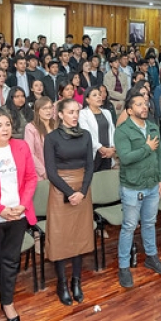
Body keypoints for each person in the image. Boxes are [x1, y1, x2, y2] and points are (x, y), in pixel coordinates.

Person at [0, 111, 37, 321]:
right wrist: (1, 210)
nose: (5, 128)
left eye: (7, 124)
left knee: (10, 263)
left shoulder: (21, 147)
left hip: (18, 215)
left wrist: (23, 205)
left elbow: (31, 178)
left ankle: (7, 303)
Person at [114, 94, 161, 288]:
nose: (144, 107)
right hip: (132, 186)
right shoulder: (122, 131)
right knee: (129, 227)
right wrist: (146, 148)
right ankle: (123, 266)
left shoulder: (153, 127)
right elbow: (126, 157)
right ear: (130, 110)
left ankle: (151, 257)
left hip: (153, 184)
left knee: (149, 223)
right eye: (139, 104)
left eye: (145, 104)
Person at [44, 99, 94, 306]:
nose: (75, 115)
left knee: (79, 236)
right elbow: (51, 172)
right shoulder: (52, 138)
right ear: (61, 114)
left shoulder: (86, 135)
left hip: (82, 189)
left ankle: (76, 281)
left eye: (77, 112)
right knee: (61, 237)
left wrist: (81, 192)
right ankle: (62, 283)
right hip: (59, 189)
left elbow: (90, 166)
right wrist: (69, 192)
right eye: (71, 112)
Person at [79, 86, 115, 172]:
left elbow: (113, 130)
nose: (99, 97)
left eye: (99, 94)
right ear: (87, 100)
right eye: (94, 95)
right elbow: (87, 134)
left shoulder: (107, 112)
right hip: (94, 152)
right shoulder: (83, 114)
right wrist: (101, 148)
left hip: (108, 153)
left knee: (105, 179)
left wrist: (112, 148)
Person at [24, 97, 54, 181]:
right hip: (40, 173)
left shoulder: (56, 125)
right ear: (37, 111)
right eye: (44, 108)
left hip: (58, 170)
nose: (48, 111)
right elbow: (30, 153)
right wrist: (43, 172)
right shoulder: (30, 127)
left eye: (50, 107)